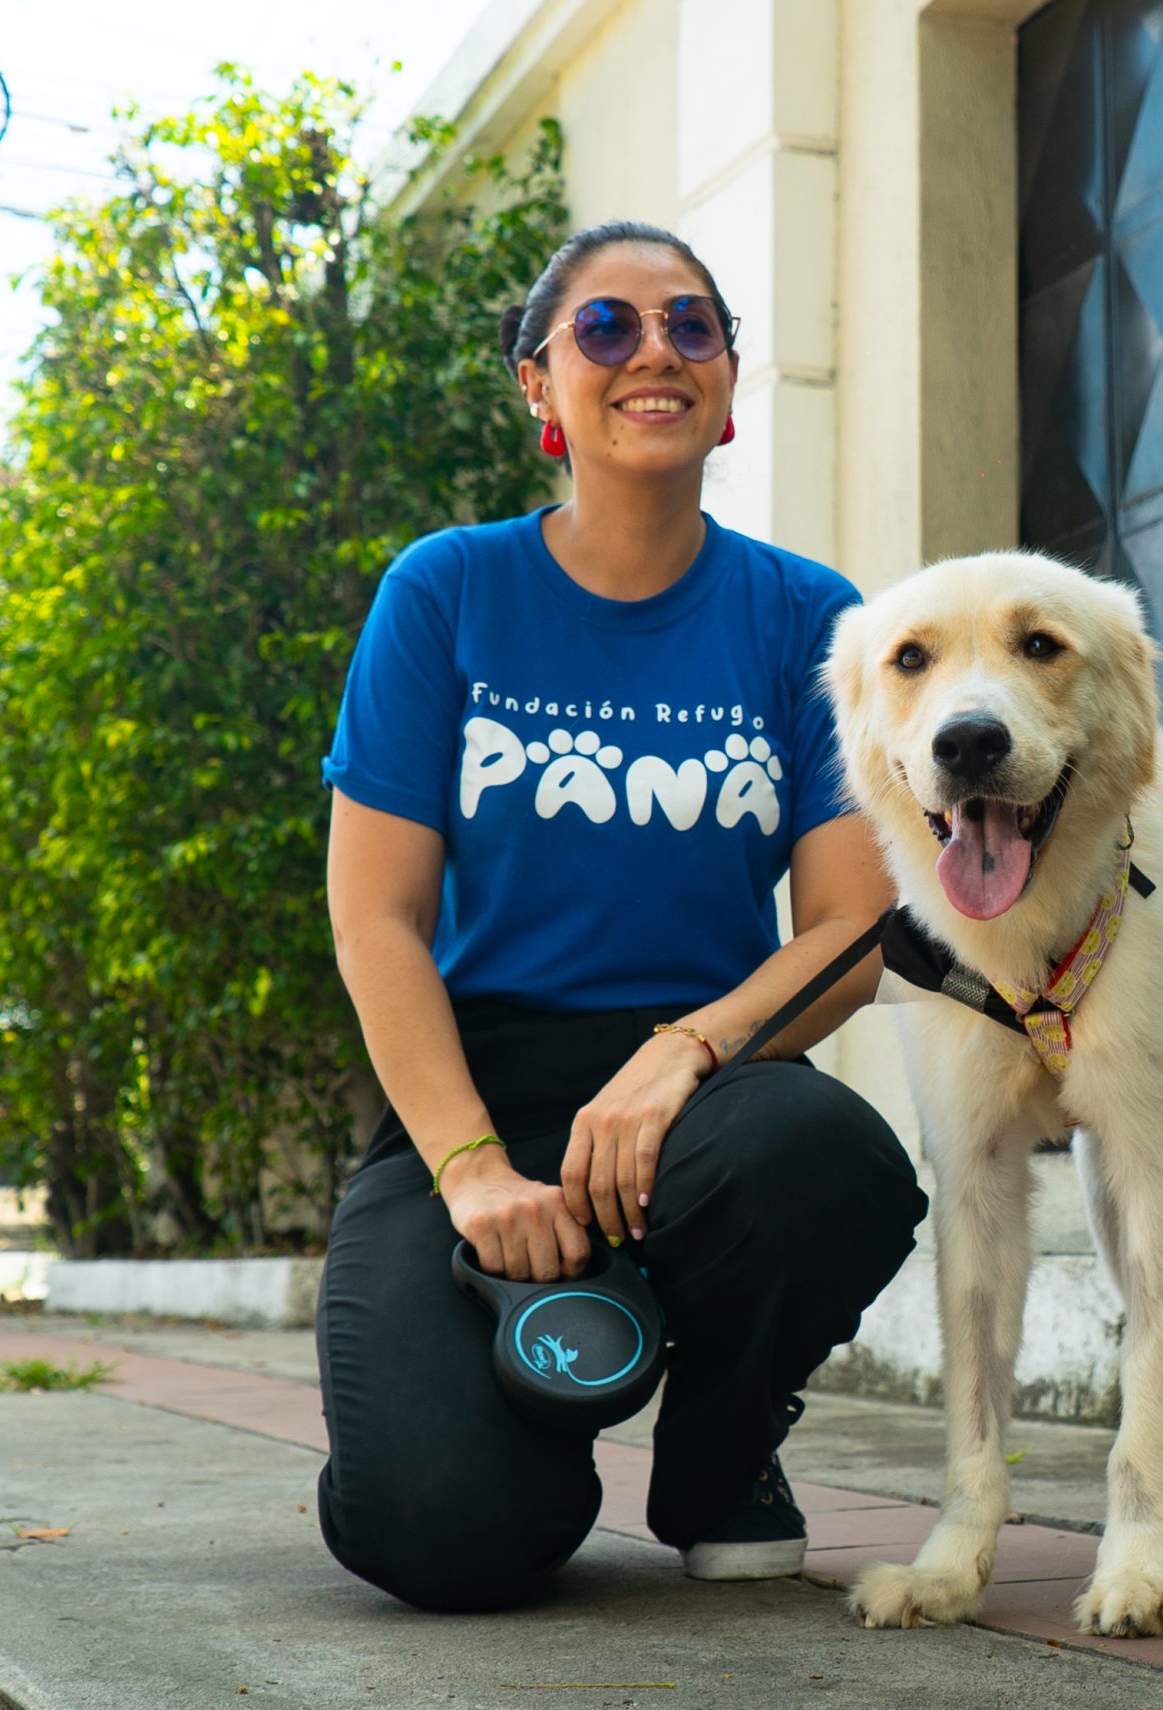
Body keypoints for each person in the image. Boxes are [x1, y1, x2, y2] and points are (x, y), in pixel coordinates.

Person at [313, 220, 928, 1614]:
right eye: (607, 326)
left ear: (724, 384)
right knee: (446, 1537)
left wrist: (687, 1052)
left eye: (691, 326)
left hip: (705, 1102)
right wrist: (472, 1170)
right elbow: (378, 922)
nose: (654, 350)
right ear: (540, 383)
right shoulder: (447, 593)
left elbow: (851, 924)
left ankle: (717, 1454)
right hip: (480, 1090)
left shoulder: (807, 619)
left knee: (826, 1153)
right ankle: (542, 1392)